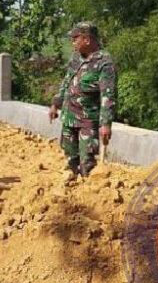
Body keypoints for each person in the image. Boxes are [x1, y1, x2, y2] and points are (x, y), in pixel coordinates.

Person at [49, 21, 117, 177]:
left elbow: (108, 95)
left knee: (87, 163)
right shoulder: (76, 58)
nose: (73, 42)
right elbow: (66, 81)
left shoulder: (104, 62)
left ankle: (88, 191)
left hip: (88, 122)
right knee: (70, 159)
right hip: (69, 118)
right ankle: (71, 190)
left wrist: (106, 124)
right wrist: (55, 104)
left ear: (87, 40)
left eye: (75, 38)